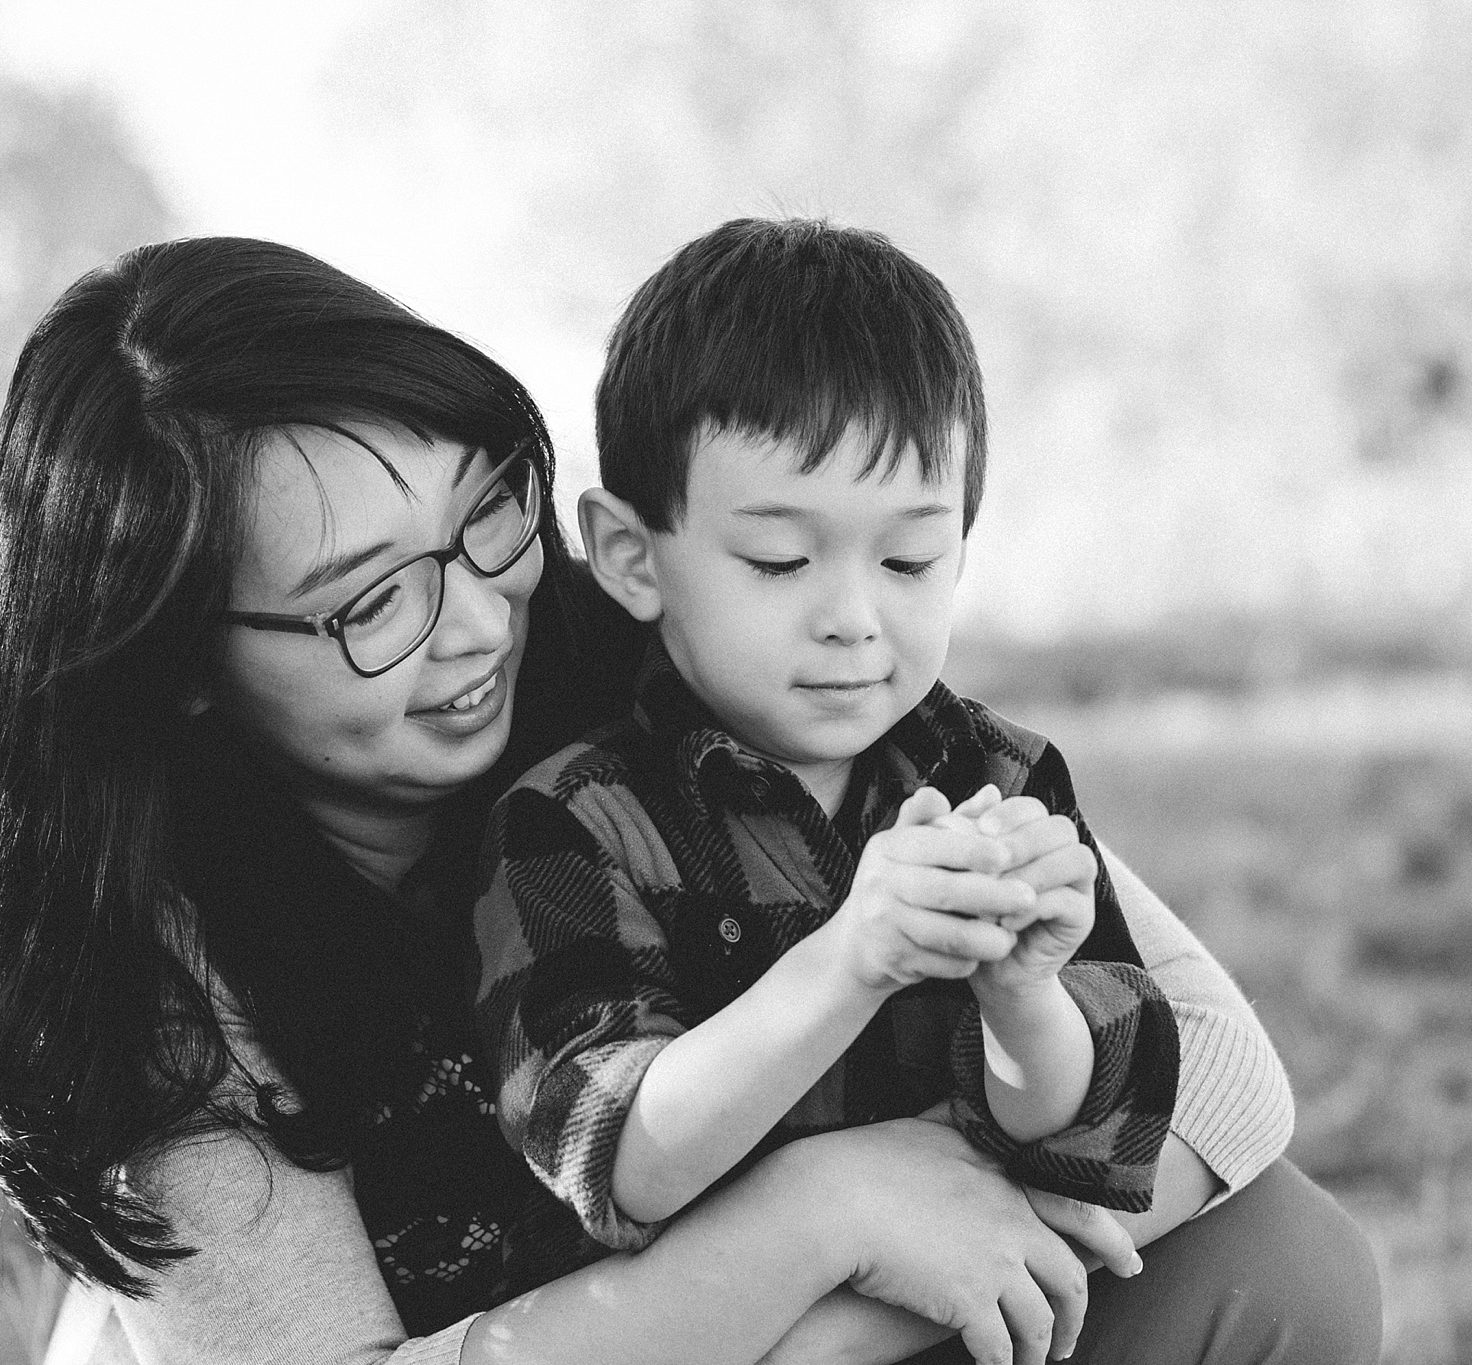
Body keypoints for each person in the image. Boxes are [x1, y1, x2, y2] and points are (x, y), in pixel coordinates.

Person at [0, 235, 1382, 1365]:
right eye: (366, 605)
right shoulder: (147, 960)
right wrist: (824, 1223)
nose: (477, 622)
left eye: (482, 516)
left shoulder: (704, 650)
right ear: (178, 658)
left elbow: (1228, 1081)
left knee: (1279, 1261)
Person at [472, 221, 1181, 1337]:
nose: (852, 618)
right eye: (778, 561)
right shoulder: (576, 820)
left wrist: (1022, 997)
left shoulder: (994, 774)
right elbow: (616, 1156)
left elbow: (1074, 1126)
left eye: (907, 560)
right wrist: (853, 958)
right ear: (628, 555)